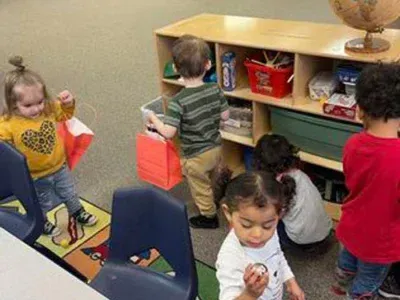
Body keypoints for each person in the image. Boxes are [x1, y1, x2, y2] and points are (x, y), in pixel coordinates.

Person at [0, 56, 97, 237]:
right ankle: (42, 221)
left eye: (39, 102)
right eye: (28, 105)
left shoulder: (48, 110)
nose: (36, 109)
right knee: (41, 200)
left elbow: (65, 115)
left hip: (59, 166)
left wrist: (68, 103)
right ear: (13, 104)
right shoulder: (7, 124)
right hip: (34, 175)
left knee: (69, 192)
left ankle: (77, 211)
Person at [333, 63, 400, 299]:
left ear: (360, 109)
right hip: (381, 243)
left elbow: (353, 180)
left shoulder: (353, 144)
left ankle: (340, 283)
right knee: (367, 282)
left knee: (347, 260)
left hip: (350, 226)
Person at [148, 35, 229, 229]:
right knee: (212, 176)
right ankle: (215, 196)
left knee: (199, 186)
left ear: (175, 69)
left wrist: (154, 119)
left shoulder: (178, 102)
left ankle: (209, 217)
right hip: (216, 147)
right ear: (208, 64)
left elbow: (168, 132)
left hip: (195, 155)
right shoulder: (215, 89)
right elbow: (225, 116)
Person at [214, 168, 305, 300]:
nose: (258, 235)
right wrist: (250, 295)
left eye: (267, 225)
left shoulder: (271, 234)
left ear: (278, 216)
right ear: (228, 213)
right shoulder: (230, 256)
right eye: (246, 224)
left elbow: (278, 255)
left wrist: (291, 282)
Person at [253, 134, 332, 250]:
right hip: (325, 234)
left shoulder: (275, 187)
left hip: (300, 242)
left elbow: (270, 217)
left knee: (264, 218)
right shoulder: (301, 175)